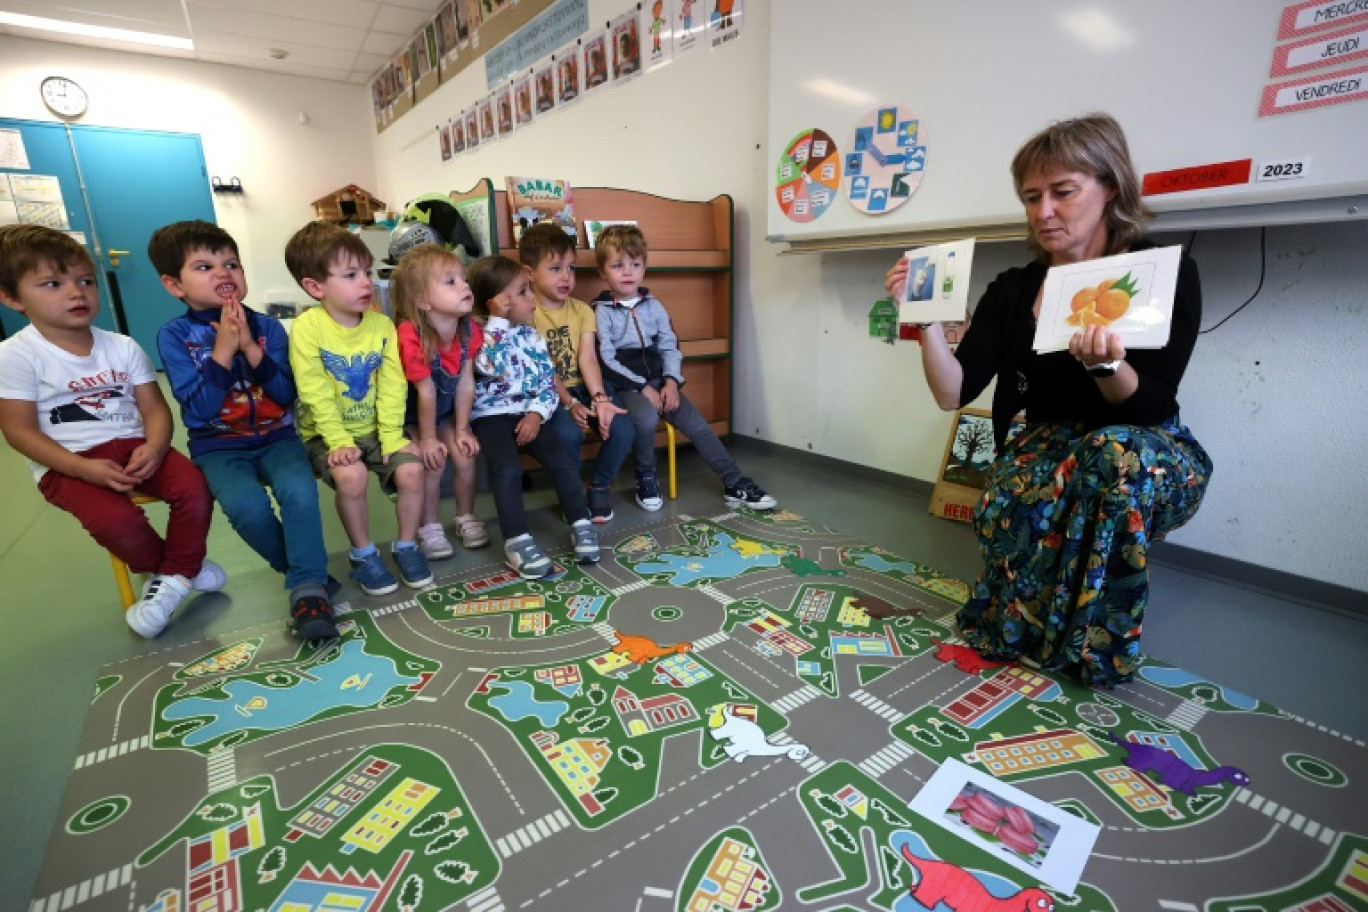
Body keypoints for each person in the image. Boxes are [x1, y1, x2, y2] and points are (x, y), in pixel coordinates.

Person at [883, 113, 1212, 687]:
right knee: (1010, 493)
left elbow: (1152, 404)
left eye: (1063, 192)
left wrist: (1106, 366)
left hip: (1146, 444)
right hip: (1048, 444)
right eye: (1031, 197)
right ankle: (1029, 626)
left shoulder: (1163, 274)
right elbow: (951, 392)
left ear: (1110, 187)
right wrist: (927, 323)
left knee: (1109, 460)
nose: (1043, 212)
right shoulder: (1013, 289)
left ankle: (1094, 648)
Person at [0, 224, 224, 637]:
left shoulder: (122, 346)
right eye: (52, 284)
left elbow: (155, 410)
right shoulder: (15, 356)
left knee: (195, 487)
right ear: (12, 297)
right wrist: (83, 470)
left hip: (137, 448)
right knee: (117, 524)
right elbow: (19, 432)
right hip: (66, 464)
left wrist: (156, 448)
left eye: (85, 280)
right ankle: (178, 570)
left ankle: (172, 576)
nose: (76, 293)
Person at [150, 220, 338, 641]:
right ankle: (304, 574)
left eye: (231, 263)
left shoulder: (270, 328)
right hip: (218, 446)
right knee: (248, 510)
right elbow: (198, 408)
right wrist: (222, 351)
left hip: (277, 437)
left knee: (300, 493)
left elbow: (287, 393)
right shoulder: (176, 337)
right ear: (173, 285)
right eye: (203, 267)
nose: (223, 273)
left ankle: (308, 592)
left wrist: (251, 347)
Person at [284, 221, 431, 596]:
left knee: (412, 471)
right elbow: (314, 391)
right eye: (351, 275)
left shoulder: (383, 325)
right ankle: (364, 555)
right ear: (315, 287)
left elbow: (393, 387)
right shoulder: (307, 328)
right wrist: (337, 441)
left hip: (377, 428)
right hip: (326, 432)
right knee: (352, 478)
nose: (365, 282)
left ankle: (406, 546)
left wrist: (392, 438)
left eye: (366, 272)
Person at [593, 224, 777, 513]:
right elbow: (606, 360)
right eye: (618, 265)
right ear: (603, 272)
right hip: (628, 387)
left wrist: (670, 383)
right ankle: (646, 476)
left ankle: (734, 482)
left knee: (698, 426)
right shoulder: (600, 311)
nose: (627, 272)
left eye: (635, 264)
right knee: (645, 419)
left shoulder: (654, 306)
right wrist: (643, 388)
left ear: (644, 267)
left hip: (660, 382)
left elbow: (670, 347)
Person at [466, 255, 600, 578]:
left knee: (560, 457)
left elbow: (547, 382)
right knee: (507, 468)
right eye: (524, 292)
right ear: (498, 302)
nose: (531, 299)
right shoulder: (475, 335)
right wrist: (497, 323)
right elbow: (488, 367)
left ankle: (580, 521)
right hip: (491, 416)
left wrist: (537, 415)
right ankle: (517, 539)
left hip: (531, 413)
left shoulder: (530, 335)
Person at [518, 223, 634, 523]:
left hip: (583, 388)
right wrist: (570, 403)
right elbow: (542, 369)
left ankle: (599, 486)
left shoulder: (582, 309)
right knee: (567, 433)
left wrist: (599, 399)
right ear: (530, 272)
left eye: (571, 268)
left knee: (622, 427)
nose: (566, 277)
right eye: (555, 268)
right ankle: (570, 494)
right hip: (548, 394)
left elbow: (588, 359)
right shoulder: (525, 313)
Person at [388, 243, 489, 557]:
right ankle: (428, 526)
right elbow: (426, 391)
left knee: (463, 454)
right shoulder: (410, 334)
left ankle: (464, 515)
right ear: (422, 300)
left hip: (443, 412)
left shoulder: (469, 329)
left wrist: (462, 429)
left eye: (464, 279)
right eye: (451, 282)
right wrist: (428, 439)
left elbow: (465, 382)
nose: (464, 287)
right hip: (410, 415)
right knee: (432, 460)